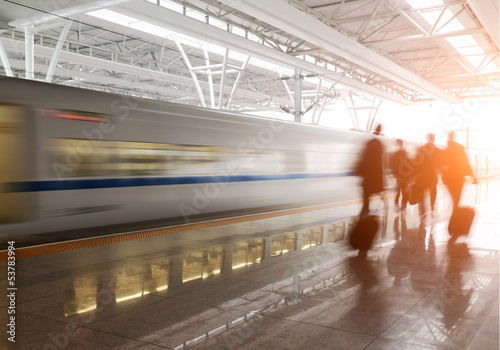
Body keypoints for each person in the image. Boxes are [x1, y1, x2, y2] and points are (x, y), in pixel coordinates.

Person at [355, 124, 384, 217]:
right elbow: (380, 164)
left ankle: (364, 216)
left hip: (368, 178)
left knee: (365, 201)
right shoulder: (379, 144)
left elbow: (364, 158)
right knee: (378, 197)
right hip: (376, 178)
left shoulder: (369, 143)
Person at [442, 131, 476, 209]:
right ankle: (456, 211)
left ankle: (455, 211)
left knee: (455, 198)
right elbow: (466, 162)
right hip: (459, 177)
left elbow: (443, 165)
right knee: (457, 198)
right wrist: (472, 176)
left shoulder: (446, 150)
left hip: (450, 178)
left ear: (449, 137)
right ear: (454, 137)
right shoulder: (460, 147)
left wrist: (443, 177)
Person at [414, 133, 442, 217]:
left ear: (427, 138)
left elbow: (416, 163)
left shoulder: (421, 149)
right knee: (433, 192)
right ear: (434, 139)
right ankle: (432, 208)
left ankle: (422, 211)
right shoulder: (437, 150)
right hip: (433, 175)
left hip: (422, 176)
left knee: (422, 193)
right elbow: (440, 164)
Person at [390, 139, 411, 212]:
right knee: (404, 193)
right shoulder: (406, 153)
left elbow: (392, 165)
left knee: (398, 192)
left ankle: (397, 205)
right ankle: (403, 206)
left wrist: (394, 175)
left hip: (399, 177)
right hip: (405, 177)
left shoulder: (395, 154)